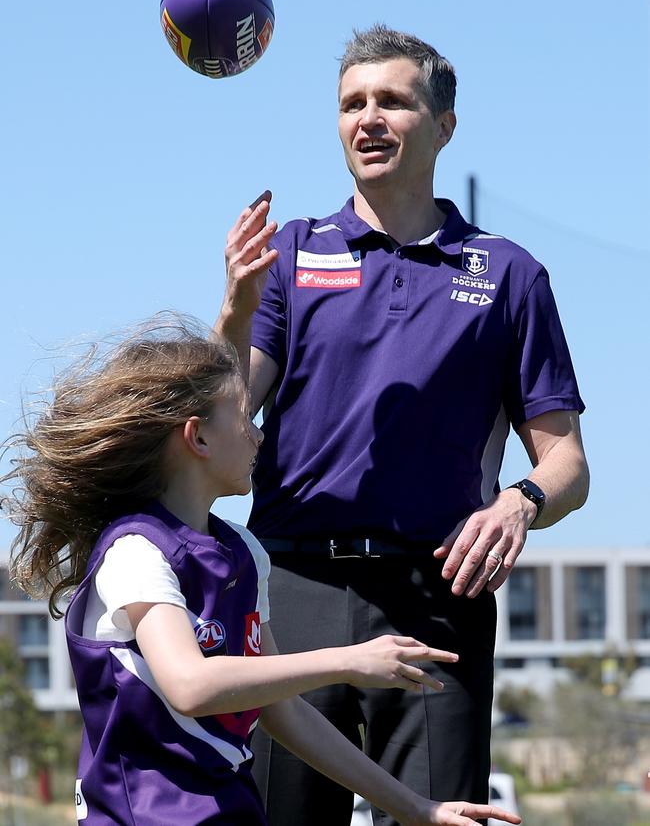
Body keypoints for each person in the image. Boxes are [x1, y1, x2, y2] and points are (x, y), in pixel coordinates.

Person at [216, 24, 589, 826]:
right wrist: (232, 311)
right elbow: (224, 409)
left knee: (439, 816)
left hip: (435, 595)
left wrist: (520, 501)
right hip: (293, 590)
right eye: (352, 103)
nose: (368, 119)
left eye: (392, 100)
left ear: (444, 125)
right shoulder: (290, 254)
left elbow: (568, 465)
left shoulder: (510, 273)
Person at [3, 315, 520, 826]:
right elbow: (190, 684)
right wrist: (344, 661)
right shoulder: (137, 552)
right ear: (197, 438)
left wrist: (417, 809)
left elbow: (286, 711)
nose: (259, 436)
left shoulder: (244, 552)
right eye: (244, 417)